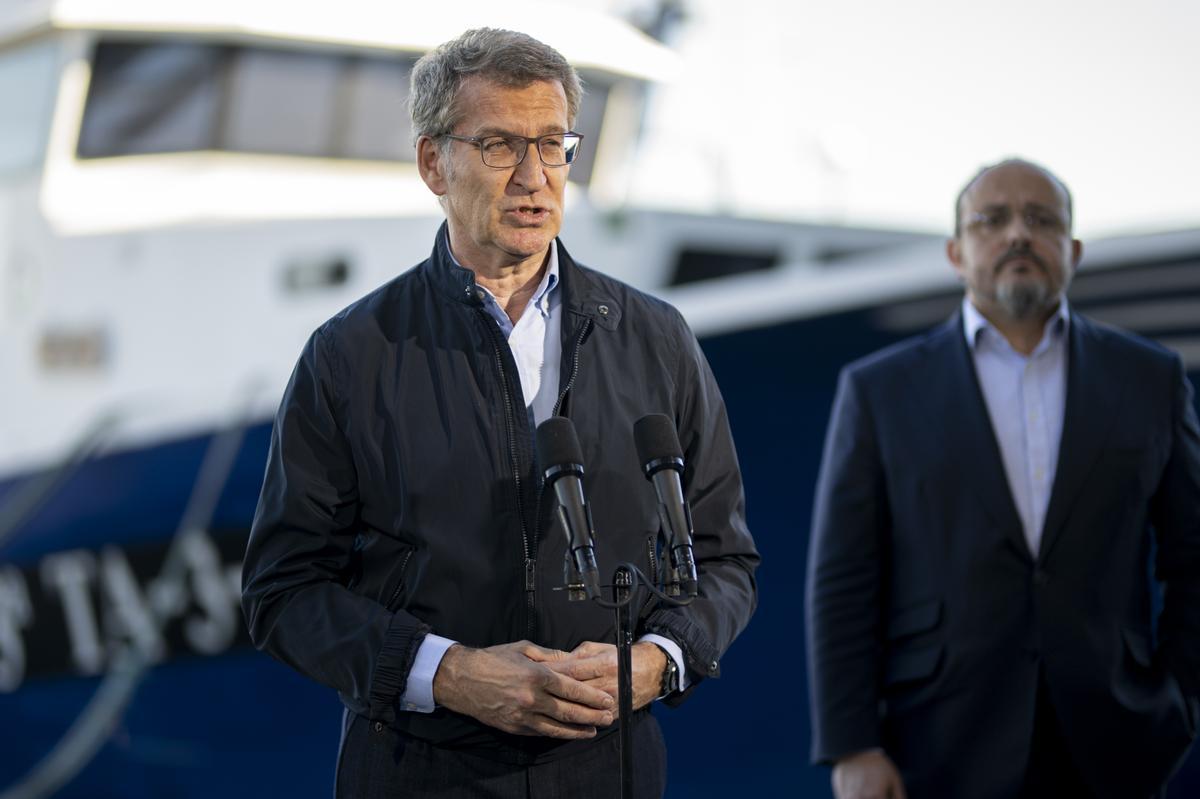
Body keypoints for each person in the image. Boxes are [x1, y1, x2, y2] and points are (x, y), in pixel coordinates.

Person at [241, 28, 758, 799]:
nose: (533, 177)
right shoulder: (348, 354)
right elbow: (281, 590)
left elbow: (725, 563)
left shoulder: (659, 338)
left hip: (611, 773)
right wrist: (449, 674)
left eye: (553, 145)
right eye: (498, 145)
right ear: (432, 164)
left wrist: (655, 662)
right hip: (420, 774)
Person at [806, 158, 1200, 799]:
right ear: (957, 252)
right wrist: (852, 744)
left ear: (1071, 251)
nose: (1018, 234)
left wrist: (1179, 704)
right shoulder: (880, 390)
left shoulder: (1149, 379)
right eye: (993, 220)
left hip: (1115, 742)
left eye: (1041, 220)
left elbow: (1192, 555)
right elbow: (844, 577)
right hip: (932, 742)